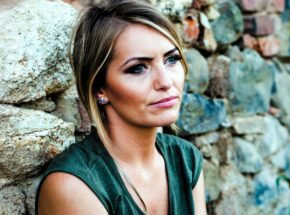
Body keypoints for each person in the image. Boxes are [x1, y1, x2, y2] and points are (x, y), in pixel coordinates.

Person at [35, 0, 207, 214]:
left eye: (171, 59)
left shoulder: (186, 160)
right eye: (138, 69)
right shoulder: (73, 185)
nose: (165, 81)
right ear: (100, 89)